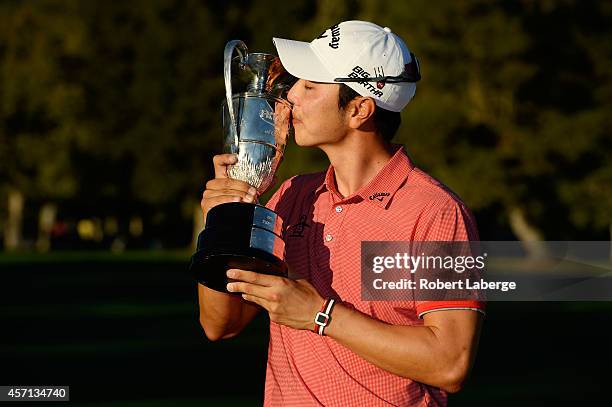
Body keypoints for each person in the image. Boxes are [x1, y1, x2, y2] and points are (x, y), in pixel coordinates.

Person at [198, 20, 485, 406]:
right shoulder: (292, 196)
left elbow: (450, 363)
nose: (291, 96)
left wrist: (320, 314)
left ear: (359, 109)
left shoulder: (436, 212)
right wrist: (225, 216)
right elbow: (221, 324)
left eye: (310, 86)